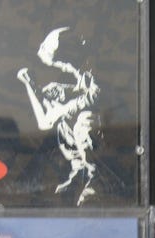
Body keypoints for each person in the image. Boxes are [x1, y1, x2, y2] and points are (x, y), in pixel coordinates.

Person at [17, 27, 100, 205]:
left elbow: (95, 97)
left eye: (62, 64)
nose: (62, 68)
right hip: (89, 111)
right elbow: (82, 90)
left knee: (84, 123)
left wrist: (62, 107)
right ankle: (80, 169)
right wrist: (62, 91)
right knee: (64, 124)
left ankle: (98, 179)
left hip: (106, 124)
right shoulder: (82, 71)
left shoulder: (96, 71)